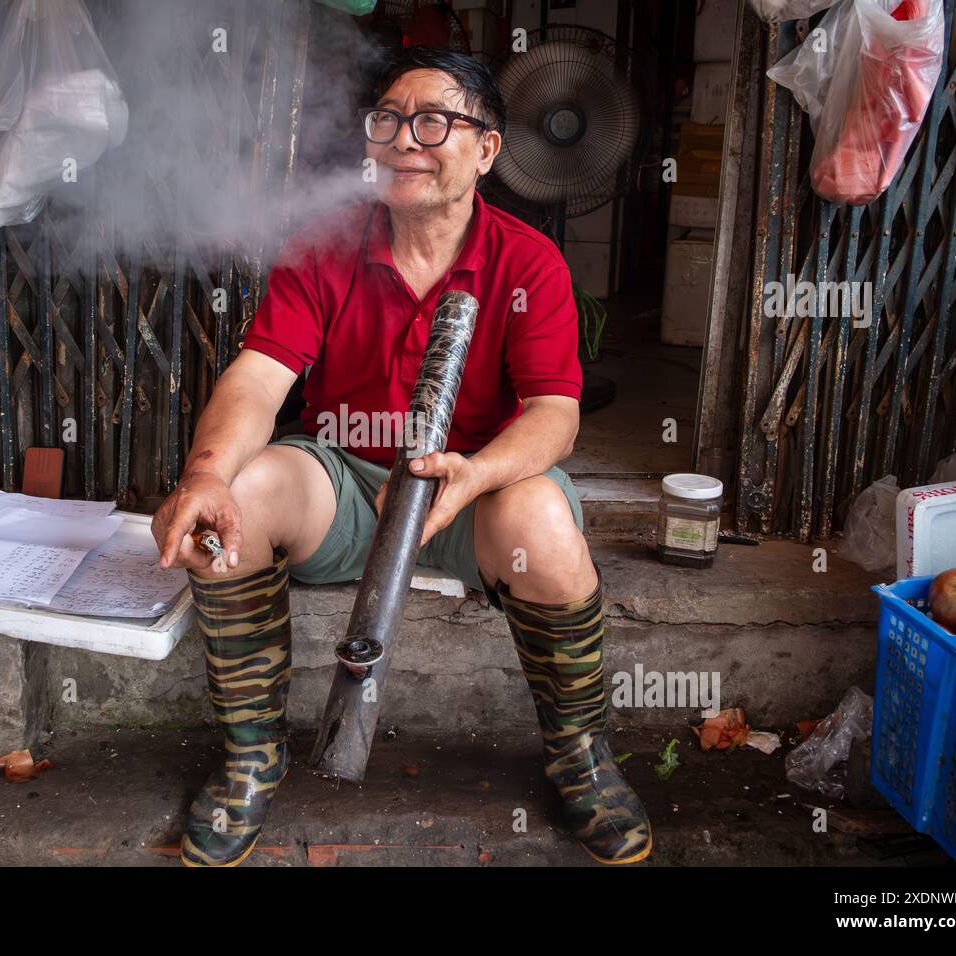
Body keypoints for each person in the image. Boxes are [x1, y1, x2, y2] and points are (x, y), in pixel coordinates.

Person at [151, 45, 651, 867]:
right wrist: (205, 473)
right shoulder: (324, 244)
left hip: (469, 489)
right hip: (343, 480)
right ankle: (251, 755)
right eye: (386, 121)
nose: (403, 140)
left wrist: (478, 472)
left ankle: (579, 754)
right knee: (239, 495)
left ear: (487, 148)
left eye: (433, 122)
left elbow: (556, 414)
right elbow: (259, 375)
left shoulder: (528, 261)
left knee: (545, 520)